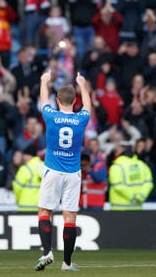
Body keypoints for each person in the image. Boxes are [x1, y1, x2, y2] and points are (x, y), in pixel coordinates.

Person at [34, 69, 90, 272]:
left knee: (44, 211)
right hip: (73, 173)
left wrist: (44, 81)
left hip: (53, 171)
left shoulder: (51, 116)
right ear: (75, 101)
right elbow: (88, 107)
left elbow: (43, 102)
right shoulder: (81, 119)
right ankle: (66, 263)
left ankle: (47, 252)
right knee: (70, 217)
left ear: (57, 100)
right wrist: (82, 85)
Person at [108, 140, 154, 209]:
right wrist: (141, 196)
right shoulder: (142, 165)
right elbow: (149, 184)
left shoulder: (116, 166)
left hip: (119, 208)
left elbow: (117, 186)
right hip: (137, 207)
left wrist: (133, 197)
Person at [13, 145, 44, 212]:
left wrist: (18, 199)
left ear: (28, 155)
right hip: (43, 207)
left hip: (26, 207)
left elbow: (17, 187)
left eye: (24, 155)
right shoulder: (44, 166)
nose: (23, 158)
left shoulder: (26, 168)